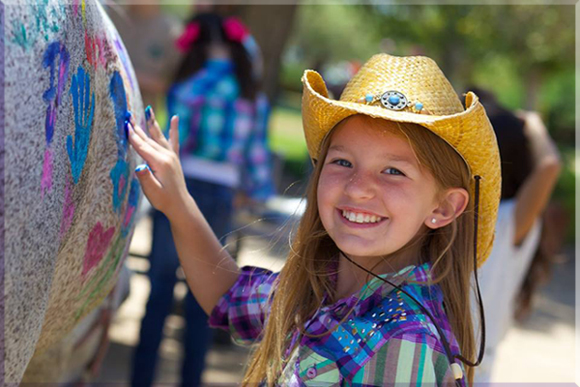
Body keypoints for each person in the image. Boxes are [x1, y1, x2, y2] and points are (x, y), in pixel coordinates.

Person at [127, 53, 502, 385]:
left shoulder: (404, 342)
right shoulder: (325, 287)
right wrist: (177, 202)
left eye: (393, 171)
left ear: (443, 208)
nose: (358, 189)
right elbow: (229, 297)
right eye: (342, 162)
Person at [130, 12, 274, 387]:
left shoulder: (188, 84)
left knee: (159, 288)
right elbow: (255, 150)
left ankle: (140, 378)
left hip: (178, 184)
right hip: (221, 192)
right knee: (205, 297)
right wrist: (255, 192)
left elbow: (174, 140)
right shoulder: (248, 89)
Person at [471, 89, 562, 382]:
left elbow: (549, 166)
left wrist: (533, 123)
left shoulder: (510, 218)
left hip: (470, 365)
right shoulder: (461, 212)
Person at [107, 4, 182, 112]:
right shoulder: (110, 17)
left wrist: (127, 76)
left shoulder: (172, 31)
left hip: (142, 120)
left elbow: (171, 84)